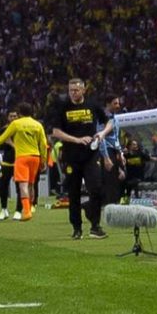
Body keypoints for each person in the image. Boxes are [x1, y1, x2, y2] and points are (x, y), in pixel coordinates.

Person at [46, 78, 111, 239]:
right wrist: (77, 140)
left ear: (83, 90)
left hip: (91, 154)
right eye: (71, 90)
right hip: (71, 155)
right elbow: (55, 132)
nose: (73, 93)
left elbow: (109, 122)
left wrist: (102, 134)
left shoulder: (92, 105)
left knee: (96, 188)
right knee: (73, 193)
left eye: (76, 90)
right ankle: (77, 228)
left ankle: (95, 225)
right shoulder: (62, 107)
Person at [0, 106, 47, 221]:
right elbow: (43, 143)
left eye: (15, 115)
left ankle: (25, 211)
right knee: (30, 184)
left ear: (19, 114)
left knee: (22, 185)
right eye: (11, 116)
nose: (14, 117)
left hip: (21, 158)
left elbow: (1, 139)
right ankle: (29, 207)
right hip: (34, 157)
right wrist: (43, 159)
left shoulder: (16, 124)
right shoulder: (38, 125)